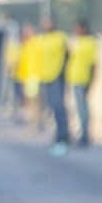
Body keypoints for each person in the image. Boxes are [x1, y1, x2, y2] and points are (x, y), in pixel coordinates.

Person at [35, 15, 70, 155]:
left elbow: (67, 54)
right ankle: (58, 136)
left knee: (58, 107)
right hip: (45, 77)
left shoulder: (60, 37)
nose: (46, 25)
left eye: (48, 23)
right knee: (53, 108)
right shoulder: (42, 39)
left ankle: (63, 137)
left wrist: (62, 72)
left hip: (57, 77)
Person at [68, 19, 98, 147]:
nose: (76, 31)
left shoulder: (90, 42)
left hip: (83, 79)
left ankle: (85, 135)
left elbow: (93, 64)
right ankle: (82, 133)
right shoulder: (77, 42)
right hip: (74, 79)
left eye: (78, 29)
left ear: (84, 29)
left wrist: (90, 81)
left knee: (83, 109)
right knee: (79, 109)